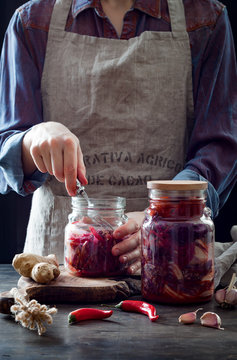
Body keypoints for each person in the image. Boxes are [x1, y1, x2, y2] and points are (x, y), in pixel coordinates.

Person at [0, 0, 236, 272]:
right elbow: (7, 153)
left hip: (169, 261)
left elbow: (220, 147)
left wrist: (161, 218)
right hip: (57, 270)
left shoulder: (205, 19)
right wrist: (35, 138)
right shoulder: (31, 22)